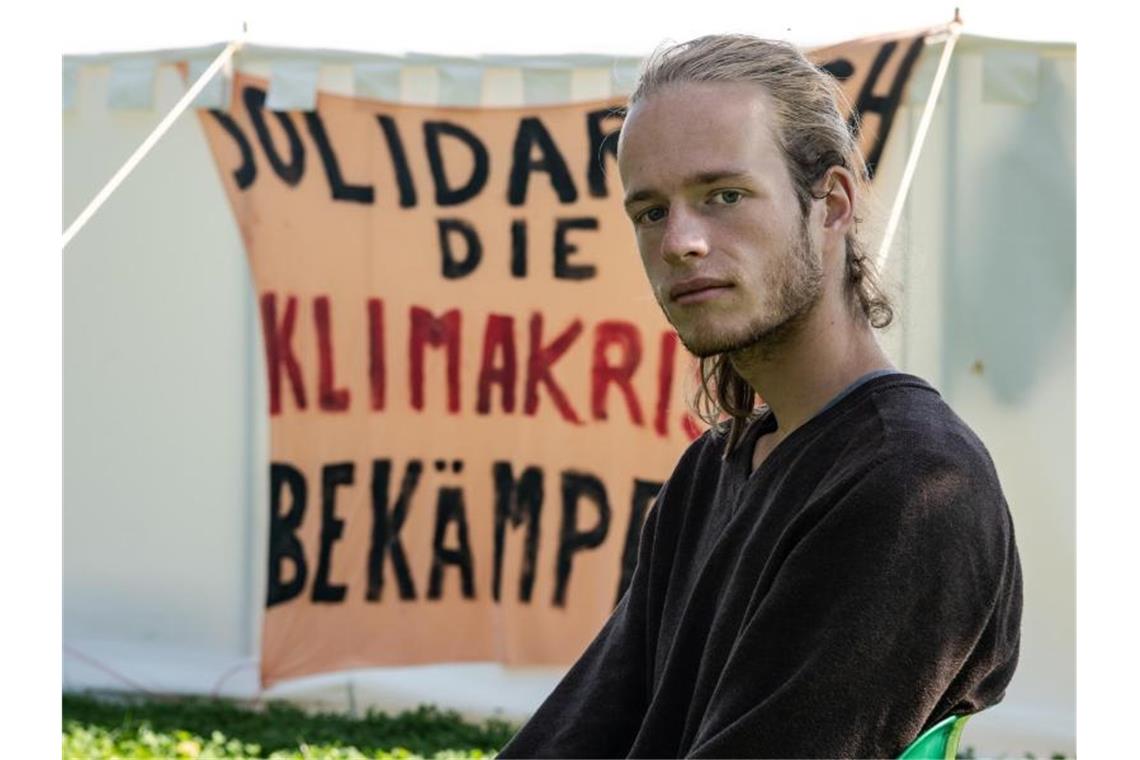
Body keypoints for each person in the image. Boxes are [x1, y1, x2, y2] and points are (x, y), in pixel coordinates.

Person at [497, 34, 1022, 759]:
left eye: (725, 195)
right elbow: (580, 731)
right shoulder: (710, 472)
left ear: (831, 204)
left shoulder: (912, 483)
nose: (680, 240)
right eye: (650, 211)